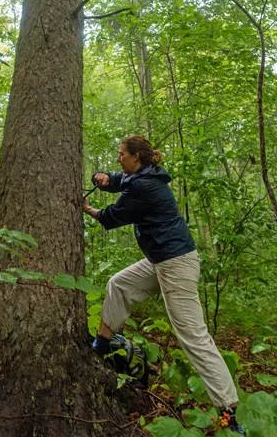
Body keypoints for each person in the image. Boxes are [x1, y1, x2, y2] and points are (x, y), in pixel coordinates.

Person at [83, 135, 245, 435]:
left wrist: (90, 210)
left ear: (137, 157)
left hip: (176, 263)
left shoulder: (144, 185)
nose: (118, 159)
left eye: (121, 155)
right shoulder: (145, 174)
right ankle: (101, 344)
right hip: (161, 258)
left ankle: (229, 412)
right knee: (119, 284)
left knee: (193, 336)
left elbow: (114, 216)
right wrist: (105, 180)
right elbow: (122, 179)